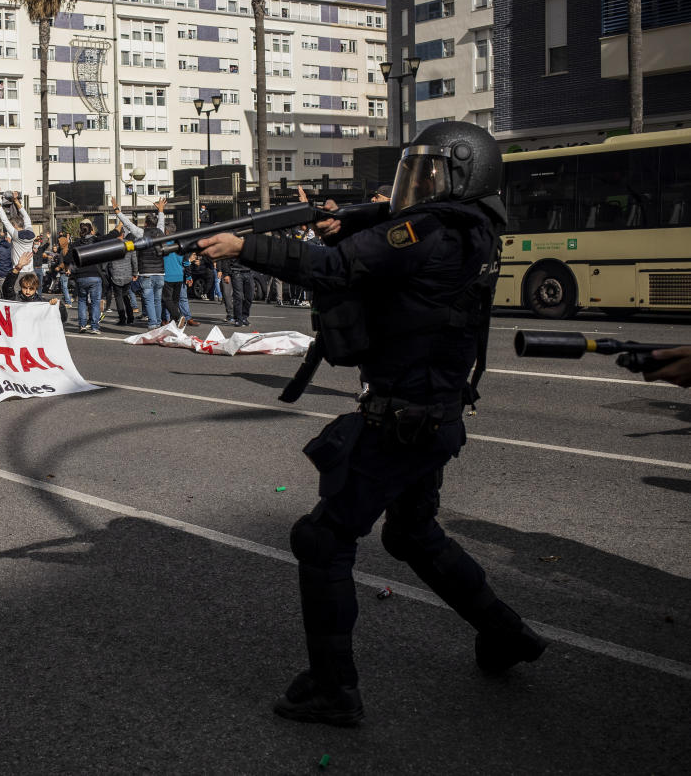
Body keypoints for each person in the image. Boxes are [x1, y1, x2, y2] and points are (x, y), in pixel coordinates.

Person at [198, 121, 545, 727]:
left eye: (429, 173)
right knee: (411, 535)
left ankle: (333, 689)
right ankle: (505, 633)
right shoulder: (473, 229)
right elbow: (389, 245)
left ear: (464, 176)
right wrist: (352, 220)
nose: (415, 186)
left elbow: (337, 269)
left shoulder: (434, 229)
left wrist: (245, 247)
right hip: (432, 417)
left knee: (322, 540)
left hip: (401, 422)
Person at [114, 195, 167, 328]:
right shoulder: (160, 232)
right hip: (160, 272)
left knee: (148, 299)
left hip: (146, 272)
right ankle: (159, 323)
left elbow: (128, 224)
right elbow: (161, 222)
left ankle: (153, 324)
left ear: (146, 224)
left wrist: (117, 210)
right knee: (157, 300)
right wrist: (161, 209)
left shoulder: (141, 233)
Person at [0, 192, 37, 300]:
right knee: (31, 297)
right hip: (31, 270)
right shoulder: (31, 233)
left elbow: (4, 220)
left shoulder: (16, 235)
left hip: (19, 271)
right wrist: (16, 201)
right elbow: (26, 217)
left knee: (16, 298)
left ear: (14, 225)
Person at [68, 221, 103, 334]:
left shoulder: (75, 244)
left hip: (81, 275)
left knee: (82, 301)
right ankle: (94, 326)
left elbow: (70, 259)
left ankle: (82, 325)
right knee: (95, 302)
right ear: (91, 230)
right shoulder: (96, 241)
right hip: (95, 274)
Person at [102, 225, 138, 326]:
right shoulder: (129, 244)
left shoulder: (111, 245)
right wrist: (135, 272)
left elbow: (106, 261)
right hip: (127, 274)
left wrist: (105, 272)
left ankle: (122, 319)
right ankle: (130, 317)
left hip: (115, 274)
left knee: (118, 297)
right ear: (123, 234)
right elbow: (134, 260)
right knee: (126, 296)